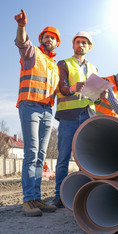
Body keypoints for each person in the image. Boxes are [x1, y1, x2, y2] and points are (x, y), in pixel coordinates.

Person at [14, 9, 61, 216]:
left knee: (41, 156)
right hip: (30, 106)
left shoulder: (55, 67)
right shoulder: (33, 52)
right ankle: (28, 201)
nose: (49, 39)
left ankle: (36, 198)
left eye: (53, 38)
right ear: (41, 39)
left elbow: (60, 90)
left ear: (56, 43)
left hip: (47, 111)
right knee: (31, 153)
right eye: (46, 36)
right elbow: (22, 42)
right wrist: (22, 26)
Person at [52, 31, 107, 207]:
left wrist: (102, 95)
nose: (81, 45)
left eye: (84, 42)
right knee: (63, 158)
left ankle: (86, 194)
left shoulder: (94, 69)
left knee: (88, 158)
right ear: (73, 45)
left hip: (88, 116)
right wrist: (72, 88)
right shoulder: (64, 64)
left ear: (89, 47)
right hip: (69, 116)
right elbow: (61, 87)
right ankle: (59, 196)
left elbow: (94, 97)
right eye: (78, 42)